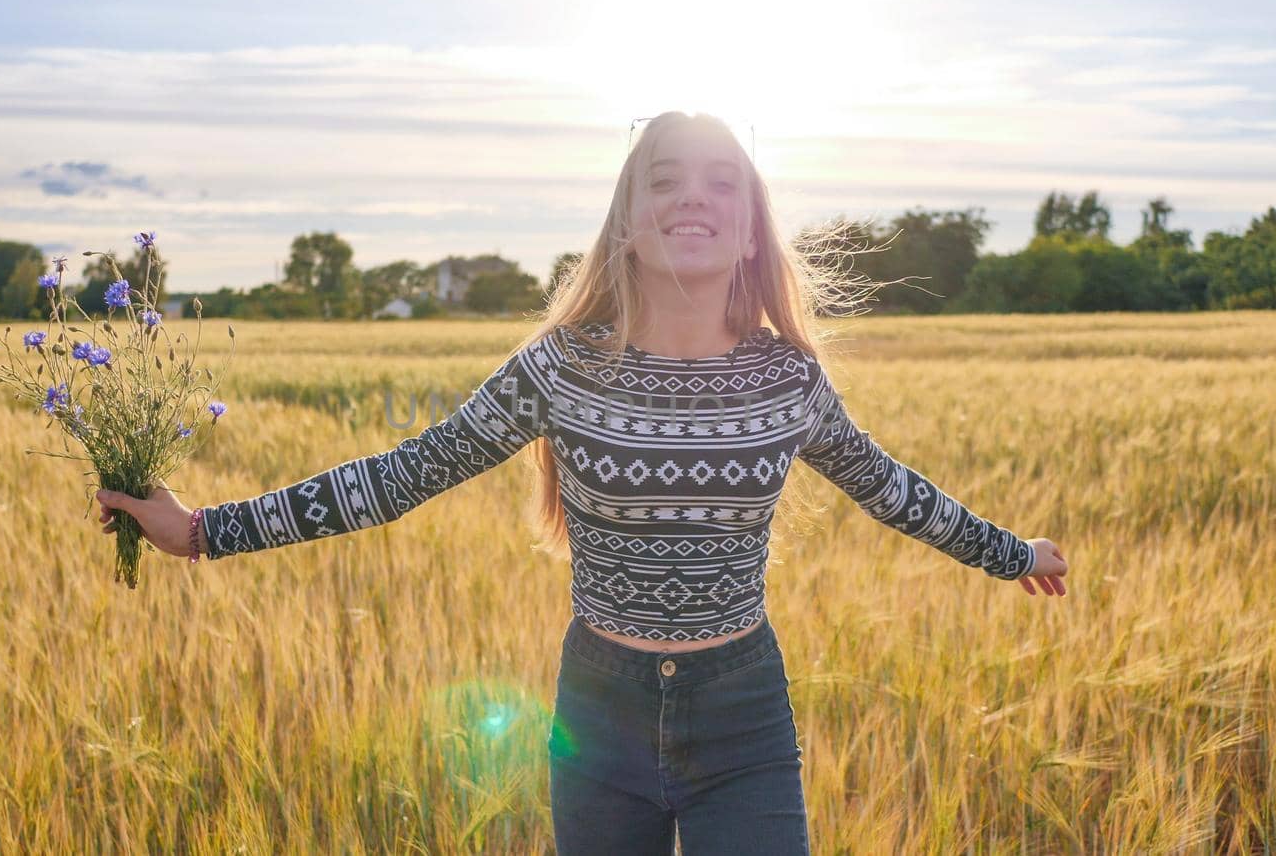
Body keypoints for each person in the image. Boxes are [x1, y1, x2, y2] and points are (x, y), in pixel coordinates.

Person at [95, 110, 1070, 854]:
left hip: (743, 714)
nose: (693, 196)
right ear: (628, 226)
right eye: (664, 180)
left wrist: (1009, 552)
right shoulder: (558, 368)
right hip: (597, 714)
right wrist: (205, 530)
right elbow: (405, 474)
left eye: (721, 183)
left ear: (748, 232)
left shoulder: (786, 378)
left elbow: (889, 487)